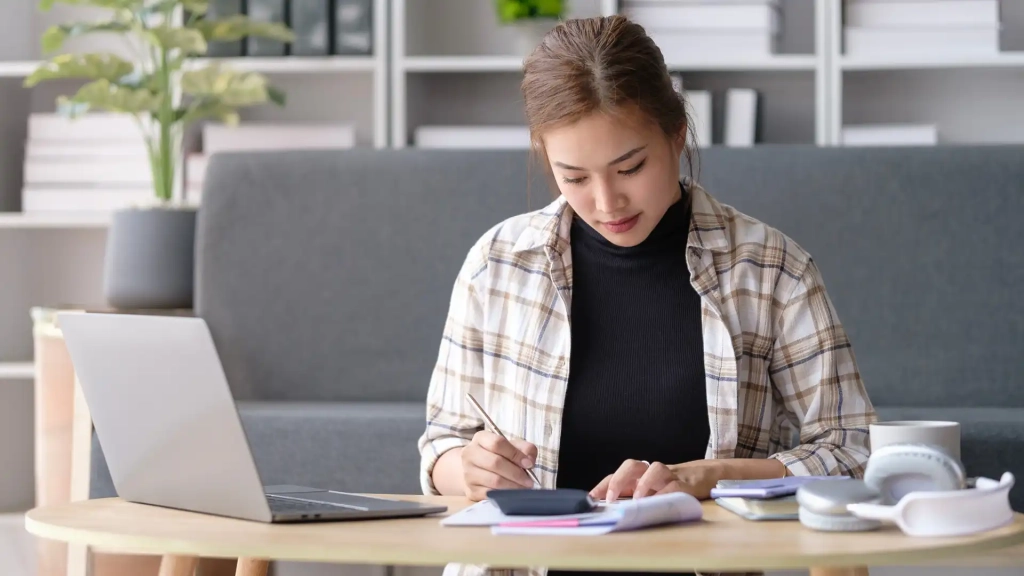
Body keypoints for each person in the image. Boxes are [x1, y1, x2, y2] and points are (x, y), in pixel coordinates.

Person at [417, 14, 877, 576]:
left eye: (630, 167)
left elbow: (855, 452)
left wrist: (708, 476)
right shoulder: (499, 263)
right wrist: (468, 468)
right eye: (575, 177)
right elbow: (440, 445)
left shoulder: (772, 270)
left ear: (677, 132)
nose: (608, 202)